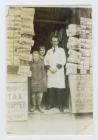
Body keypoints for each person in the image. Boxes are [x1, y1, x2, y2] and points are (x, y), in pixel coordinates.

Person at [44, 36, 66, 112]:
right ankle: (51, 104)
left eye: (56, 41)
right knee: (51, 88)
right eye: (53, 41)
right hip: (50, 72)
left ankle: (60, 105)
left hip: (58, 72)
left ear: (58, 42)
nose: (54, 43)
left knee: (59, 88)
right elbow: (45, 61)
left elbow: (63, 61)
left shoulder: (61, 50)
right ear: (51, 42)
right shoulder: (49, 51)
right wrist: (50, 68)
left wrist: (55, 68)